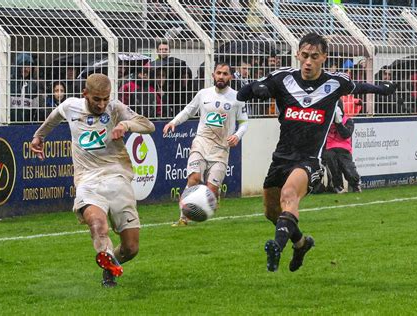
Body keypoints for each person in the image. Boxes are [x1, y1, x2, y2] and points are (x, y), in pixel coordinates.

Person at [237, 32, 395, 273]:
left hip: (309, 160)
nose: (308, 61)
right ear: (297, 55)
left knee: (289, 195)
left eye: (314, 56)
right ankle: (301, 244)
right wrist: (254, 89)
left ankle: (276, 247)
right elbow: (244, 92)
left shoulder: (335, 83)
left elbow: (359, 86)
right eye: (304, 56)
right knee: (272, 212)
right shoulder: (282, 79)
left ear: (324, 57)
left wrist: (382, 89)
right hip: (281, 158)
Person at [30, 73, 155, 287]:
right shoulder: (71, 106)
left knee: (131, 248)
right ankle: (107, 266)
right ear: (85, 94)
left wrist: (125, 126)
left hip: (117, 176)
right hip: (87, 179)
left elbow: (148, 125)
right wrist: (38, 136)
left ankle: (111, 263)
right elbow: (53, 118)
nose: (102, 104)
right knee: (97, 223)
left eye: (106, 98)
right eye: (97, 99)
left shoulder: (115, 108)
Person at [163, 62, 248, 226]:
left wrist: (237, 135)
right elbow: (189, 110)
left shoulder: (238, 98)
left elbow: (244, 122)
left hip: (221, 149)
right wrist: (173, 122)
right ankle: (183, 217)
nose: (221, 76)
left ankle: (212, 198)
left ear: (230, 76)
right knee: (194, 178)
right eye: (218, 73)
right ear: (213, 75)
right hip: (201, 143)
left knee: (211, 189)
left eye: (225, 73)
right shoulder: (203, 94)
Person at [322, 103, 362, 193]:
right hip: (329, 147)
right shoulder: (326, 120)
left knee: (347, 168)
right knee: (331, 162)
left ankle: (355, 184)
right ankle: (337, 186)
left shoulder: (348, 120)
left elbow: (346, 135)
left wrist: (338, 123)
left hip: (344, 148)